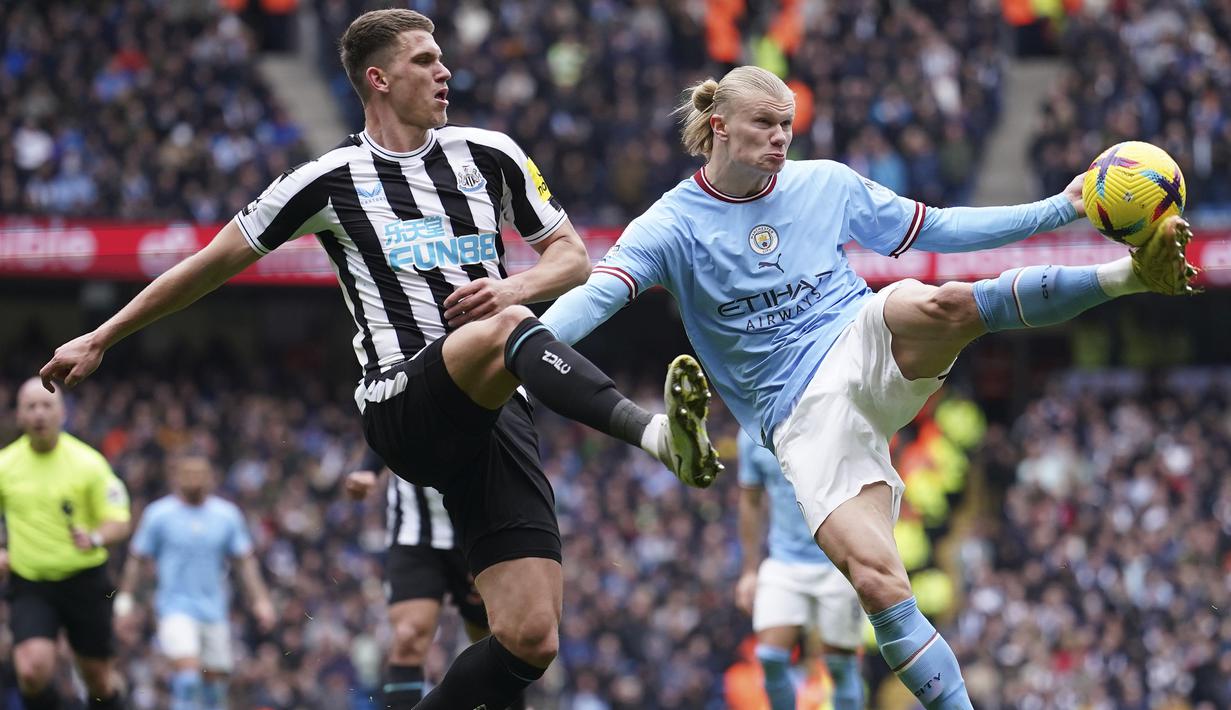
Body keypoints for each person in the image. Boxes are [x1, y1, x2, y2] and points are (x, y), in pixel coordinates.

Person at [39, 10, 721, 709]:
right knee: (507, 327)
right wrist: (100, 336)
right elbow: (210, 264)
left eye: (441, 58)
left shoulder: (490, 153)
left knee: (529, 637)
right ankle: (657, 436)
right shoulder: (328, 179)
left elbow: (573, 258)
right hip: (403, 403)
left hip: (492, 411)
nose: (444, 71)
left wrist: (512, 283)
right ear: (379, 78)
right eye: (424, 60)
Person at [538, 65, 1197, 708]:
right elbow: (597, 296)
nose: (780, 139)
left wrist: (1061, 207)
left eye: (786, 126)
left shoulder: (824, 184)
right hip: (798, 420)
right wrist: (526, 349)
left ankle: (1130, 277)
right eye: (764, 124)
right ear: (718, 127)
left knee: (935, 304)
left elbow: (939, 229)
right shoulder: (670, 225)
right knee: (879, 584)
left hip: (858, 337)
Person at [344, 451, 528, 709]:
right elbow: (389, 417)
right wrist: (369, 469)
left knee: (497, 638)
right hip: (414, 533)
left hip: (475, 530)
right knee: (408, 636)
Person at [0, 378, 132, 710]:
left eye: (47, 405)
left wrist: (96, 537)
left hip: (84, 580)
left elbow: (119, 520)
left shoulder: (89, 464)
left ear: (63, 414)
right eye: (31, 406)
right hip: (31, 582)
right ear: (19, 415)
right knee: (31, 670)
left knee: (98, 680)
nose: (39, 413)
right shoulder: (5, 466)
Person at [113, 453, 276, 710]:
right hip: (174, 609)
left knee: (216, 689)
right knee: (188, 677)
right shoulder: (159, 514)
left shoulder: (226, 515)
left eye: (199, 473)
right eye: (187, 473)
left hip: (214, 611)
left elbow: (245, 562)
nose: (194, 478)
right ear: (176, 477)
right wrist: (124, 601)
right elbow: (137, 559)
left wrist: (261, 601)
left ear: (211, 478)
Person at [735, 431, 864, 710]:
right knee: (769, 658)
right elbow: (750, 500)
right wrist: (749, 571)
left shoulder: (829, 413)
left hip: (838, 562)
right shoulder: (751, 433)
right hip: (784, 561)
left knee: (840, 665)